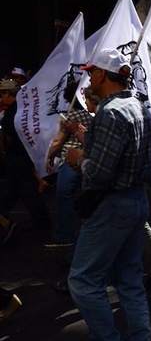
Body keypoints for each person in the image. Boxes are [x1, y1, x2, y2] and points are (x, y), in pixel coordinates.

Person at [64, 48, 151, 341]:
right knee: (129, 278)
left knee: (83, 280)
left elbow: (100, 173)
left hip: (112, 205)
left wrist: (77, 158)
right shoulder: (141, 108)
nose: (88, 79)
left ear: (103, 75)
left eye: (91, 73)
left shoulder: (110, 113)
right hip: (135, 201)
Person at [44, 82, 96, 249]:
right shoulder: (92, 116)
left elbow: (58, 141)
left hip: (71, 162)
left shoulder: (70, 117)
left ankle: (66, 235)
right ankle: (87, 235)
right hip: (88, 161)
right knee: (88, 199)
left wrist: (50, 157)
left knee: (64, 197)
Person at [0, 78, 52, 232]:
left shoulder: (11, 113)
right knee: (14, 189)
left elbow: (8, 137)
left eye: (2, 94)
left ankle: (43, 223)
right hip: (26, 154)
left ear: (7, 94)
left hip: (17, 157)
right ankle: (3, 215)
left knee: (27, 190)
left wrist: (3, 152)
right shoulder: (25, 109)